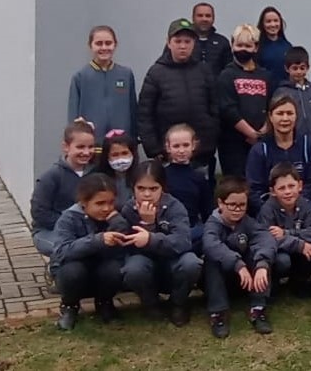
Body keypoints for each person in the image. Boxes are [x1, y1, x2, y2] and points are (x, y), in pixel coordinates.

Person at [118, 161, 203, 326]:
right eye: (141, 188)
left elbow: (183, 242)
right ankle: (151, 304)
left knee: (191, 263)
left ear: (162, 188)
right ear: (133, 188)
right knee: (133, 268)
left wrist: (151, 235)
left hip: (172, 261)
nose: (147, 194)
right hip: (145, 263)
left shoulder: (175, 207)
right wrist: (143, 225)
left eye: (153, 188)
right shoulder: (128, 209)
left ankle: (178, 304)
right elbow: (127, 244)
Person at [136, 19, 220, 176]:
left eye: (187, 41)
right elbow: (145, 114)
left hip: (200, 154)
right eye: (178, 41)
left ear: (194, 43)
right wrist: (154, 149)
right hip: (168, 156)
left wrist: (209, 142)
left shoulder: (204, 70)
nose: (183, 46)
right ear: (169, 42)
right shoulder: (156, 73)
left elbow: (214, 108)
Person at [49, 173, 127, 330]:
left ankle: (105, 303)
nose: (106, 208)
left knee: (113, 268)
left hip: (101, 269)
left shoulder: (114, 216)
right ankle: (69, 307)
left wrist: (119, 225)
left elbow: (123, 250)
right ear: (84, 202)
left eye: (111, 202)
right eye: (100, 203)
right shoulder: (68, 218)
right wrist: (97, 240)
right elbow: (61, 252)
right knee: (73, 271)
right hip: (74, 270)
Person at [202, 176, 276, 338]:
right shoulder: (212, 224)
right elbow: (211, 244)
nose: (237, 209)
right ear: (220, 203)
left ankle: (258, 309)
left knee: (259, 255)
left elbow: (266, 238)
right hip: (222, 279)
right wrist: (238, 264)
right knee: (212, 260)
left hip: (246, 280)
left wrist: (262, 264)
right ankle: (218, 314)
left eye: (242, 205)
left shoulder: (247, 222)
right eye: (232, 205)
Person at [246, 95, 311, 214]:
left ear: (296, 116)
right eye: (280, 113)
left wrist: (294, 206)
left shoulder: (309, 144)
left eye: (289, 113)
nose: (285, 118)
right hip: (270, 209)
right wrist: (276, 209)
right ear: (271, 116)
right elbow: (254, 190)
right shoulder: (259, 150)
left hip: (303, 205)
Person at [216, 24, 274, 180]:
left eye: (248, 46)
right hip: (233, 144)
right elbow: (228, 109)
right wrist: (251, 133)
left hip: (262, 141)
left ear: (256, 47)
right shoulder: (226, 75)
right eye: (239, 45)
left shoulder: (265, 76)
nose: (243, 49)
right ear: (232, 45)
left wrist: (263, 132)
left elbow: (272, 105)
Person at [32, 119, 96, 257]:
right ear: (66, 147)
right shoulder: (51, 177)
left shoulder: (95, 173)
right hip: (50, 231)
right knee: (67, 249)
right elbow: (39, 212)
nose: (86, 152)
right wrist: (69, 226)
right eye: (80, 147)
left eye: (91, 147)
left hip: (86, 231)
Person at [257, 163, 311, 294]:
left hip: (298, 248)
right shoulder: (267, 210)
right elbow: (270, 239)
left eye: (291, 186)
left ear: (300, 186)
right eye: (281, 188)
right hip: (278, 252)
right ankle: (273, 283)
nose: (287, 192)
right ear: (273, 191)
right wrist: (299, 244)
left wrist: (286, 233)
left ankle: (298, 282)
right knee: (283, 261)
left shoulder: (305, 205)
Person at [67, 25, 137, 144]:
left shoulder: (126, 75)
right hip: (92, 146)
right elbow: (73, 119)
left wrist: (133, 140)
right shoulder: (80, 77)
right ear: (90, 45)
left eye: (108, 43)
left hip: (120, 146)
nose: (104, 47)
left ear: (115, 45)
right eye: (99, 43)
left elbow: (133, 112)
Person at [162, 124, 210, 249]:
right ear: (168, 147)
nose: (181, 150)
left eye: (186, 145)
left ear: (193, 145)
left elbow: (206, 210)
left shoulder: (199, 177)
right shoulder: (161, 175)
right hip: (166, 229)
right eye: (176, 146)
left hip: (191, 230)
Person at [274, 46, 311, 148]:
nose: (299, 72)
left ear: (308, 67)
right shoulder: (282, 92)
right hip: (292, 146)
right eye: (295, 68)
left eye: (302, 68)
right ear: (287, 69)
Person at [95, 130, 138, 208]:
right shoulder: (97, 179)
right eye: (115, 155)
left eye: (125, 153)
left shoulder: (140, 175)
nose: (121, 159)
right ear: (106, 157)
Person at [191, 2, 232, 77]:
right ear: (193, 18)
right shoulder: (184, 42)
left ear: (213, 19)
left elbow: (228, 69)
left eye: (208, 16)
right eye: (200, 15)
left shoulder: (222, 42)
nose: (204, 19)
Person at [256, 6, 293, 86]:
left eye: (276, 21)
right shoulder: (257, 47)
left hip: (285, 90)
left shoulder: (287, 46)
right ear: (262, 24)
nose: (273, 24)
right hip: (265, 89)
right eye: (268, 21)